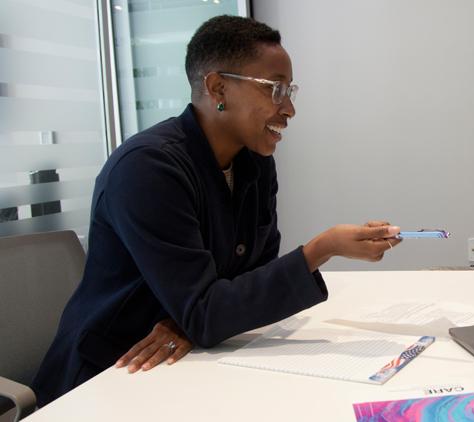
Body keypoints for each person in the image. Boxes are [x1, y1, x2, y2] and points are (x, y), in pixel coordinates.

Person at [32, 15, 402, 406]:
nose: (289, 108)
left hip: (193, 360)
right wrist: (321, 248)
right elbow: (210, 309)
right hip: (113, 374)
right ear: (218, 86)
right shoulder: (147, 168)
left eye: (289, 90)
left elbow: (249, 275)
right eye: (275, 89)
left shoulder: (253, 162)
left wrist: (194, 320)